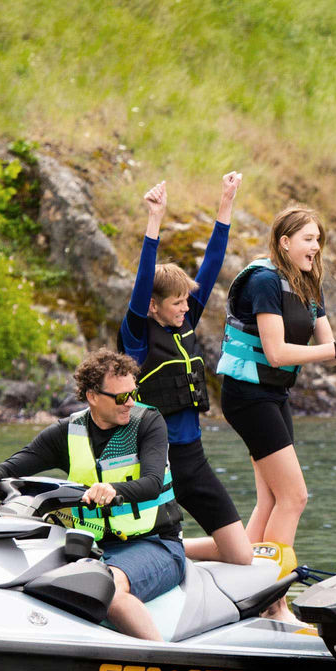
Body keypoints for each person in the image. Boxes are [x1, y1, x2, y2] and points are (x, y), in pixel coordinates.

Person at [215, 205, 336, 587]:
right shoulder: (263, 281)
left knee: (272, 500)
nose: (316, 247)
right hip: (247, 395)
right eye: (309, 239)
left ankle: (234, 583)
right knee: (294, 497)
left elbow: (329, 349)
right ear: (285, 242)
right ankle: (272, 597)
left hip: (273, 396)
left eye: (319, 240)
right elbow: (276, 353)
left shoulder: (308, 282)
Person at [0, 350, 183, 641]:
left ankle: (163, 667)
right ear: (93, 396)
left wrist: (114, 489)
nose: (131, 402)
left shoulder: (147, 423)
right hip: (91, 546)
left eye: (134, 393)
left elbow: (152, 483)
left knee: (107, 589)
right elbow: (11, 467)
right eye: (121, 397)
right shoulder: (68, 433)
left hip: (155, 544)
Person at [121, 172, 251, 565]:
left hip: (191, 458)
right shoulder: (136, 335)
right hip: (150, 464)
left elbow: (211, 264)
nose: (184, 309)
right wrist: (154, 219)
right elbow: (144, 278)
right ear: (152, 306)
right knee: (148, 541)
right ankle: (157, 549)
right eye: (175, 303)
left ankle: (174, 548)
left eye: (185, 302)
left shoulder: (186, 319)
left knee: (240, 554)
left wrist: (226, 201)